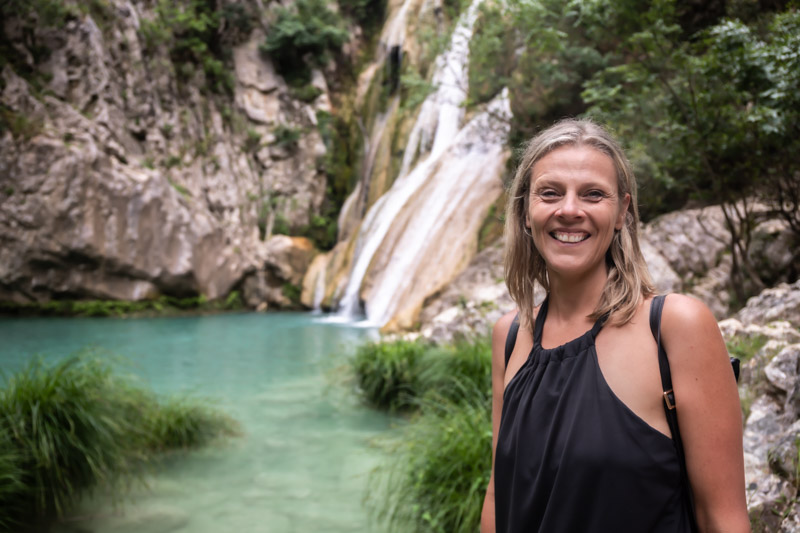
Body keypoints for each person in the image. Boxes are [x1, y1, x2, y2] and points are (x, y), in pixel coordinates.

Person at [480, 119, 750, 532]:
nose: (569, 210)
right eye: (550, 193)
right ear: (524, 212)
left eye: (593, 194)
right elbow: (499, 499)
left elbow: (723, 519)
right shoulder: (511, 336)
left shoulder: (674, 327)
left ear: (622, 211)